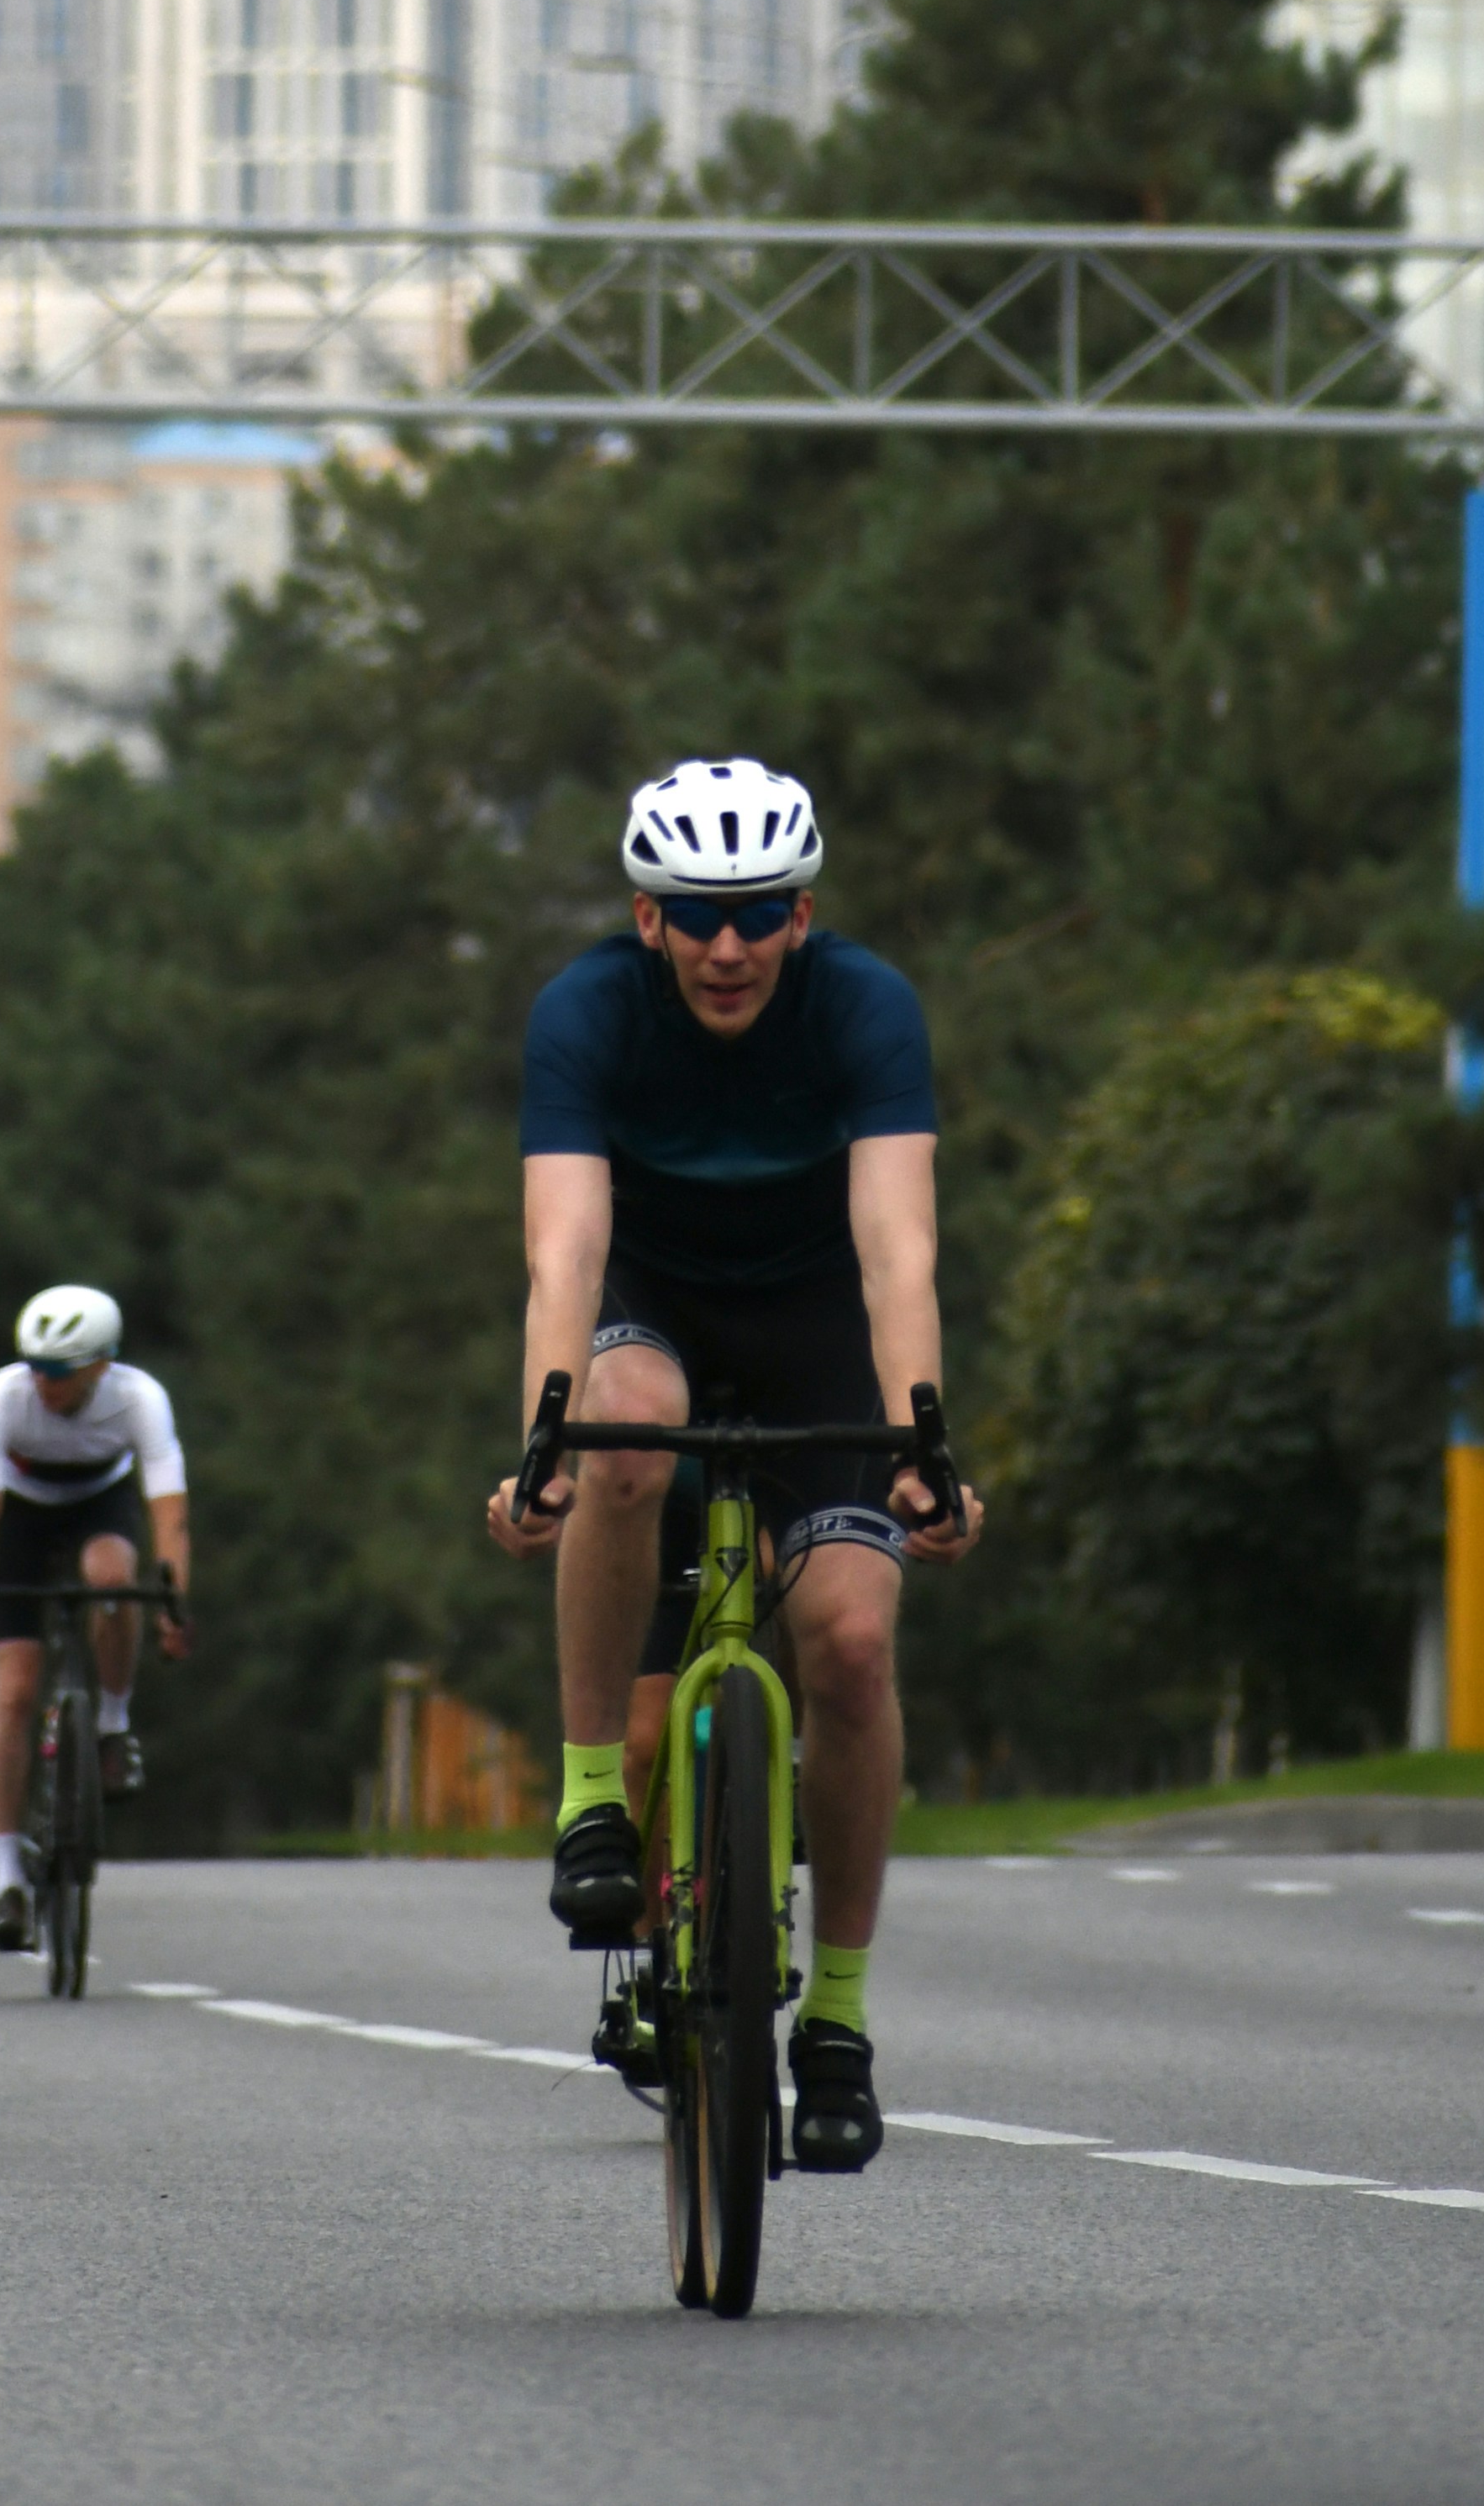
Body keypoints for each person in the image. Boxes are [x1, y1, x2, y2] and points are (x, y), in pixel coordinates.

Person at [487, 756, 982, 2178]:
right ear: (645, 917)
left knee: (846, 1647)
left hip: (822, 1335)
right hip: (657, 1312)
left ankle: (833, 2020)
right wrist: (545, 1436)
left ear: (802, 912)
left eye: (757, 913)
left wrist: (923, 1436)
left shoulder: (866, 1005)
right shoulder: (584, 1010)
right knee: (626, 1434)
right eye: (696, 913)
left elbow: (899, 1247)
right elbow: (564, 1251)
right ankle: (589, 1794)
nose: (726, 946)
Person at [0, 1285, 192, 1951]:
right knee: (15, 1690)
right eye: (34, 1364)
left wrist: (175, 1604)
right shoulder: (3, 1397)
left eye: (58, 1370)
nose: (42, 1381)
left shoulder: (139, 1398)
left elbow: (169, 1514)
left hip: (99, 1502)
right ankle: (8, 1879)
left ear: (100, 1364)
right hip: (23, 1515)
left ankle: (113, 1725)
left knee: (114, 1579)